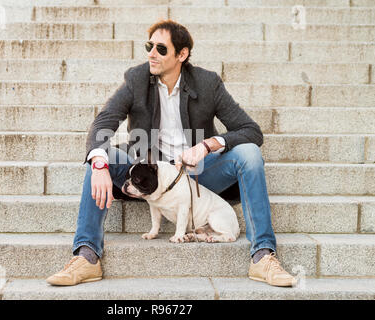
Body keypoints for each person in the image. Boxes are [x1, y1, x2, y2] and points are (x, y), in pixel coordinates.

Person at [46, 19, 297, 287]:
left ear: (182, 54)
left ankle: (262, 255)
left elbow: (251, 131)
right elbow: (103, 121)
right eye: (149, 46)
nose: (151, 53)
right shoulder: (136, 79)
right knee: (101, 157)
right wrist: (98, 164)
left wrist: (207, 145)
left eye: (161, 49)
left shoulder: (207, 82)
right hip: (146, 172)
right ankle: (87, 255)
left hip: (196, 177)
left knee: (249, 154)